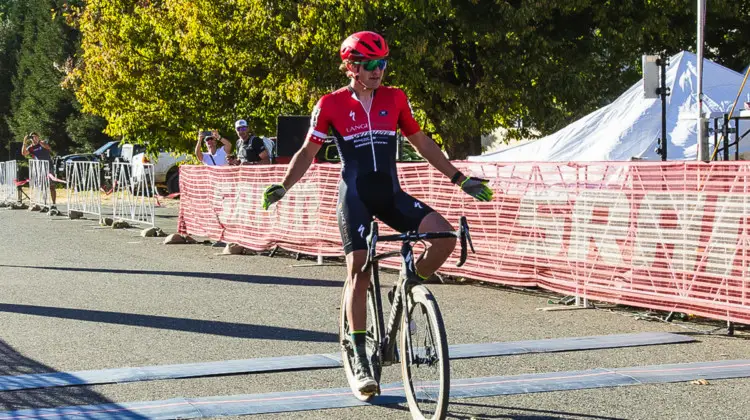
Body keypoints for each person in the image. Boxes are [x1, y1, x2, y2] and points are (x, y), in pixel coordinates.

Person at [260, 31, 493, 394]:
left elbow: (421, 141)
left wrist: (460, 179)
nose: (378, 71)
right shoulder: (330, 104)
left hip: (391, 194)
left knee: (444, 237)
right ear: (351, 67)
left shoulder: (395, 98)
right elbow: (308, 151)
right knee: (360, 267)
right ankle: (358, 352)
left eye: (382, 64)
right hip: (355, 197)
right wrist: (284, 186)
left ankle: (406, 287)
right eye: (370, 65)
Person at [21, 132, 57, 208]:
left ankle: (54, 204)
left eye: (36, 137)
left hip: (49, 167)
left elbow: (48, 147)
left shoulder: (42, 143)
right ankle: (45, 204)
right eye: (32, 137)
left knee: (51, 186)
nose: (34, 139)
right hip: (40, 168)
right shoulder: (31, 147)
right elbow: (24, 153)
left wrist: (38, 141)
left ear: (38, 137)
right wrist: (24, 142)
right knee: (43, 187)